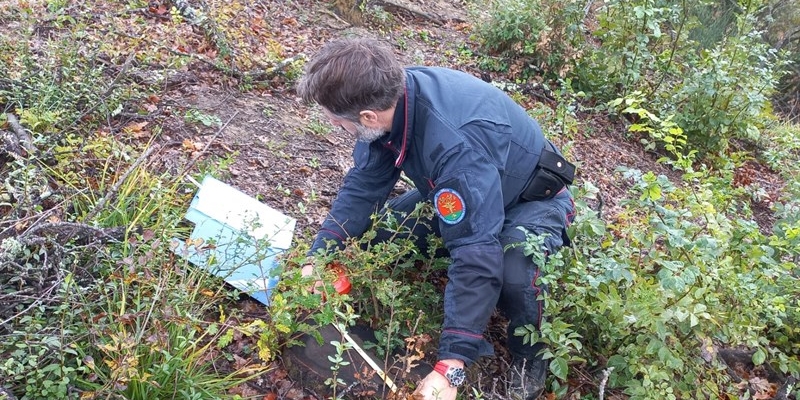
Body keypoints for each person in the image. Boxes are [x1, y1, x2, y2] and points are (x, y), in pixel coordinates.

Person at [296, 37, 576, 400]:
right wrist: (319, 256)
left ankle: (530, 356)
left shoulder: (456, 144)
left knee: (513, 272)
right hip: (473, 187)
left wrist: (451, 366)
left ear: (367, 117)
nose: (333, 124)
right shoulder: (389, 101)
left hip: (530, 202)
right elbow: (364, 187)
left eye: (335, 120)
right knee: (382, 231)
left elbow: (475, 249)